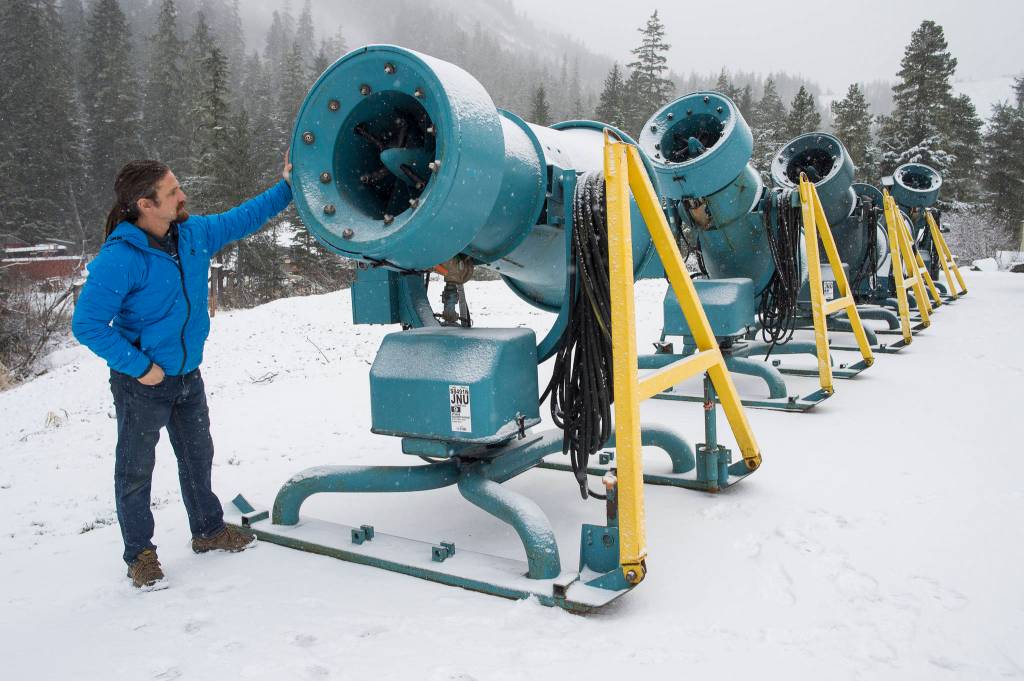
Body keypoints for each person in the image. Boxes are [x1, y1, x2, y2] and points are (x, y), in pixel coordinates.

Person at [72, 154, 293, 589]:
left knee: (197, 457)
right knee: (135, 470)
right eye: (172, 191)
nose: (182, 195)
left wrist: (286, 186)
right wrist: (141, 368)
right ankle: (140, 554)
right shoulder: (121, 257)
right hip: (144, 384)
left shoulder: (192, 235)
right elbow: (88, 325)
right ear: (145, 205)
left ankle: (208, 531)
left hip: (188, 375)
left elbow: (245, 217)